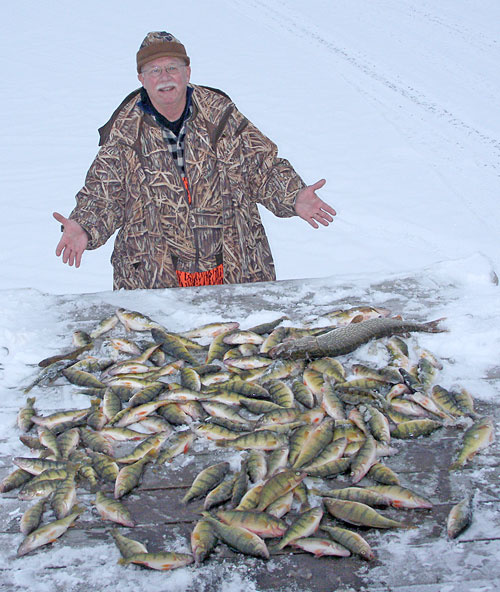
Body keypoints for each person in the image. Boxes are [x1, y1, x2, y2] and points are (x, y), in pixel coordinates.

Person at [54, 31, 336, 290]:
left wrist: (293, 195)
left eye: (172, 68)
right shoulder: (124, 133)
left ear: (187, 72)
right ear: (141, 78)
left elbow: (262, 167)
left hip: (238, 275)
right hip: (153, 283)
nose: (164, 76)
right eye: (154, 70)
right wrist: (83, 225)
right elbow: (104, 195)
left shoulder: (222, 117)